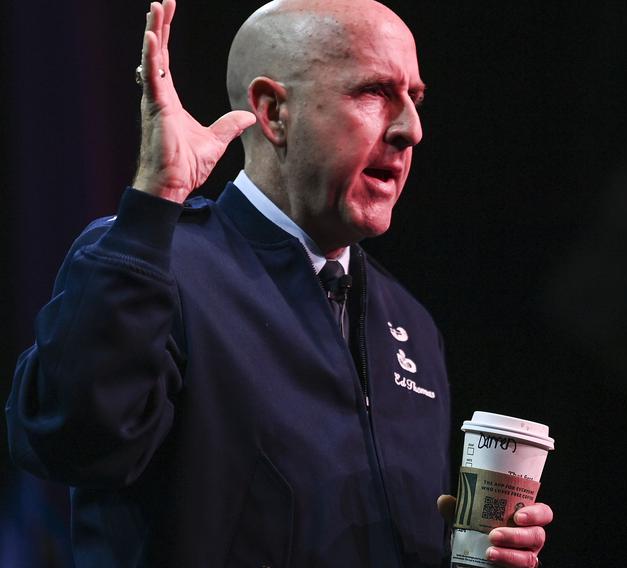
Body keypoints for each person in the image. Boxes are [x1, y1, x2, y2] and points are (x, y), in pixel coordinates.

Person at [5, 0, 553, 566]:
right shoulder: (149, 264)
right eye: (373, 92)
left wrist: (475, 556)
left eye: (413, 98)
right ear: (273, 111)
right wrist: (154, 201)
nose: (411, 130)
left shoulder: (410, 324)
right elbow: (71, 444)